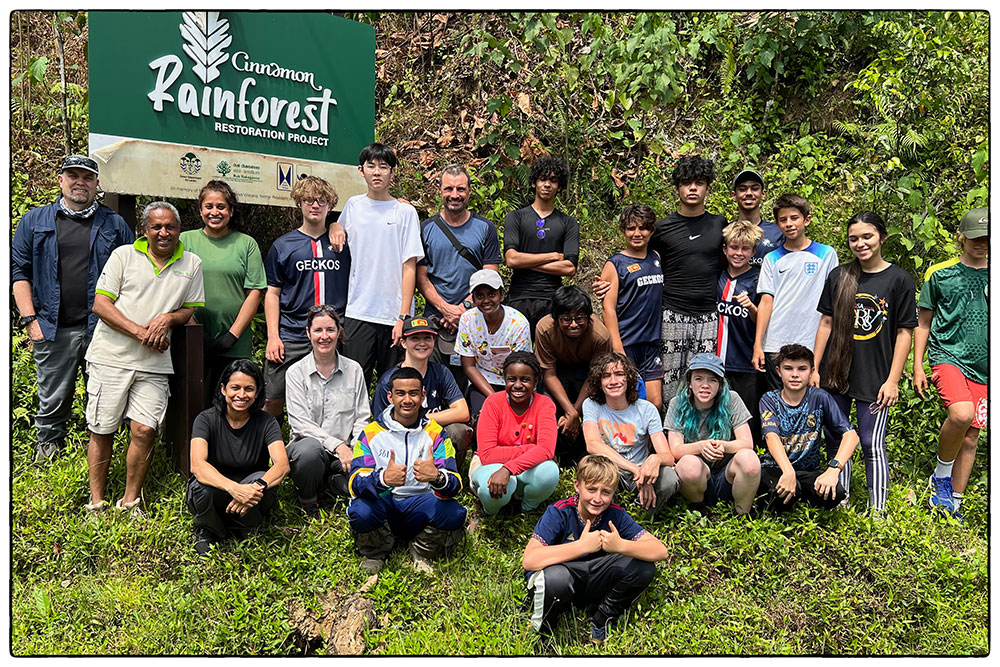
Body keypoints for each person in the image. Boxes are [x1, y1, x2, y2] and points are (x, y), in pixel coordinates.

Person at [83, 201, 205, 517]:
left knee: (145, 430)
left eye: (170, 227)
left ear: (179, 230)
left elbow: (189, 308)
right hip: (111, 358)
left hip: (155, 364)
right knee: (103, 429)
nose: (164, 233)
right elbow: (101, 305)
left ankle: (130, 502)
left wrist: (168, 318)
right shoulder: (123, 256)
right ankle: (96, 502)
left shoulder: (191, 263)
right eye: (156, 227)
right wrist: (140, 332)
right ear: (144, 230)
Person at [11, 154, 134, 462]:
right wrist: (30, 321)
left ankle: (105, 459)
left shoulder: (114, 224)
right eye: (73, 176)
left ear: (97, 184)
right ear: (61, 180)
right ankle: (48, 458)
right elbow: (19, 272)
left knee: (105, 398)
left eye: (87, 177)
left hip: (103, 330)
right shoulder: (34, 221)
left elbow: (132, 276)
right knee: (52, 401)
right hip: (53, 328)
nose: (80, 182)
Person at [594, 155, 727, 400]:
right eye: (686, 183)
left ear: (708, 187)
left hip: (708, 316)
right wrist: (608, 283)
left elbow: (732, 261)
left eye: (699, 183)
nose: (693, 188)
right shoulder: (662, 229)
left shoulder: (720, 225)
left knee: (705, 384)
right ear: (677, 188)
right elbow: (637, 256)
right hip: (670, 317)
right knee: (668, 390)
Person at [811, 212, 916, 515]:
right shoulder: (839, 276)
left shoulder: (899, 280)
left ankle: (878, 511)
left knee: (871, 442)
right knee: (835, 437)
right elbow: (826, 323)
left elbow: (904, 333)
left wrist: (893, 380)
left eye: (867, 236)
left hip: (876, 375)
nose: (860, 244)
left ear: (882, 237)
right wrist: (815, 367)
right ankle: (839, 500)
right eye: (853, 239)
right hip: (836, 371)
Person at [522, 454, 669, 644]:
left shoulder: (615, 514)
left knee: (644, 567)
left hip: (593, 577)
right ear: (577, 486)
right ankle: (543, 631)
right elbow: (530, 560)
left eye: (606, 492)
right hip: (558, 579)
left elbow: (660, 551)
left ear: (613, 492)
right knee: (557, 579)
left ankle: (602, 617)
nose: (598, 498)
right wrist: (581, 546)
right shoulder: (559, 512)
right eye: (591, 489)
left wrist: (621, 546)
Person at [348, 367, 466, 574]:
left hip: (420, 504)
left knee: (454, 513)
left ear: (423, 396)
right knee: (360, 510)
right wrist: (382, 479)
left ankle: (422, 550)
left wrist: (437, 477)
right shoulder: (371, 433)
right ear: (390, 397)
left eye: (413, 393)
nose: (407, 400)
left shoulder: (436, 433)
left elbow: (455, 483)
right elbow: (355, 482)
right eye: (400, 393)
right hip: (385, 502)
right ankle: (375, 552)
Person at [913, 208, 988, 521]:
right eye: (975, 238)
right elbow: (923, 322)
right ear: (961, 237)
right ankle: (941, 476)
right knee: (961, 414)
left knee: (971, 436)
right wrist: (917, 366)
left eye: (988, 238)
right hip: (948, 355)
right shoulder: (940, 273)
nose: (982, 243)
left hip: (985, 366)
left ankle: (952, 505)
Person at [336, 142, 424, 388]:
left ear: (392, 172)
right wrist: (334, 225)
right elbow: (336, 230)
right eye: (371, 166)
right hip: (358, 311)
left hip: (393, 315)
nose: (377, 172)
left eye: (383, 167)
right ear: (361, 170)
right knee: (353, 385)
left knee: (395, 386)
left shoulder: (405, 212)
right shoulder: (353, 206)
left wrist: (403, 317)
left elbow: (409, 266)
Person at [263, 176, 350, 417]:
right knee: (273, 398)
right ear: (299, 203)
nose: (315, 205)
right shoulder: (283, 245)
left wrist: (335, 225)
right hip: (292, 332)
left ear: (330, 206)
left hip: (334, 333)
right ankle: (271, 442)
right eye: (309, 200)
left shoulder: (343, 244)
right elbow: (272, 293)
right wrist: (273, 336)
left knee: (334, 398)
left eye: (322, 200)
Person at [186, 360, 289, 555]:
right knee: (201, 486)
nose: (241, 395)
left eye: (249, 389)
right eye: (235, 388)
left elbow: (282, 465)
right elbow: (197, 465)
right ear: (223, 389)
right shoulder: (205, 419)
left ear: (257, 393)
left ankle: (247, 527)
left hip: (251, 491)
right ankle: (208, 530)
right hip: (216, 490)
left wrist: (254, 488)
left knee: (263, 478)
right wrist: (234, 489)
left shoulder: (267, 422)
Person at [416, 164, 501, 385]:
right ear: (439, 190)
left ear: (469, 191)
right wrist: (445, 308)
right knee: (432, 382)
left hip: (476, 319)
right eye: (449, 189)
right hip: (435, 320)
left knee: (471, 382)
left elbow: (490, 275)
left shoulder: (485, 228)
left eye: (460, 189)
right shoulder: (426, 228)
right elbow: (421, 277)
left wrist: (464, 308)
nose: (455, 195)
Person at [179, 180, 266, 398]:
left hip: (234, 344)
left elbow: (255, 293)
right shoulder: (185, 241)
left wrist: (231, 336)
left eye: (221, 207)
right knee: (192, 401)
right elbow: (174, 288)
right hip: (192, 337)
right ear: (200, 210)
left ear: (231, 211)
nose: (215, 212)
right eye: (209, 206)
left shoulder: (246, 244)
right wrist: (195, 330)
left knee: (230, 403)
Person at [284, 305, 371, 516]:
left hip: (346, 452)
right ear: (308, 333)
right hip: (309, 451)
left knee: (367, 483)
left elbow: (362, 417)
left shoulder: (354, 369)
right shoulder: (295, 372)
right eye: (318, 330)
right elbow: (300, 424)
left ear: (339, 332)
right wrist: (337, 445)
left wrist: (356, 452)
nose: (324, 336)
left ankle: (331, 485)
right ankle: (308, 499)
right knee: (310, 452)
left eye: (330, 330)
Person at [757, 345, 860, 513]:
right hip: (776, 468)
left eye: (802, 369)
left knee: (836, 492)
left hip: (808, 471)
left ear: (811, 372)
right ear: (778, 371)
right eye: (788, 368)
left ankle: (803, 496)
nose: (795, 374)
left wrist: (833, 470)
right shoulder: (769, 399)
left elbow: (851, 436)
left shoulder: (820, 397)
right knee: (779, 495)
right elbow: (771, 437)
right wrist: (788, 471)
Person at [752, 194, 839, 390]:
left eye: (794, 218)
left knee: (810, 403)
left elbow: (831, 306)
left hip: (811, 343)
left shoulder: (827, 254)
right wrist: (758, 345)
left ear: (807, 220)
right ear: (777, 225)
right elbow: (766, 301)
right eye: (783, 220)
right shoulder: (771, 258)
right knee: (778, 401)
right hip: (775, 343)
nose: (789, 224)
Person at [582, 353, 679, 517]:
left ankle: (639, 516)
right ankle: (611, 515)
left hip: (641, 473)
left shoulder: (647, 409)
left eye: (619, 374)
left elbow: (668, 457)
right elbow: (593, 445)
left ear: (628, 378)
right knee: (594, 471)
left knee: (669, 477)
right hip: (611, 471)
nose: (613, 381)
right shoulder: (592, 405)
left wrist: (654, 460)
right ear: (599, 382)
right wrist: (634, 469)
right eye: (606, 376)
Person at [372, 317, 473, 468]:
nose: (422, 343)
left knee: (459, 432)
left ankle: (447, 473)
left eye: (427, 338)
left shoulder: (441, 372)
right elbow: (380, 425)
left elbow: (463, 412)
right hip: (399, 439)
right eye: (415, 338)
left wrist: (419, 419)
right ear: (403, 343)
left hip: (430, 433)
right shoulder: (389, 380)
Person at [666, 353, 760, 515]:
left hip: (728, 475)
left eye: (712, 380)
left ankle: (742, 514)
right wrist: (701, 447)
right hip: (697, 476)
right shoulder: (677, 403)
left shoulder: (732, 399)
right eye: (698, 379)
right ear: (689, 382)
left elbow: (747, 443)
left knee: (749, 459)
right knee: (687, 464)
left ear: (721, 385)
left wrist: (723, 445)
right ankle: (699, 509)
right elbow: (675, 449)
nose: (705, 385)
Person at [472, 351, 560, 515]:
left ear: (535, 381)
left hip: (525, 468)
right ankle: (491, 512)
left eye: (525, 379)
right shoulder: (493, 402)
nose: (518, 385)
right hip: (490, 466)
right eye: (512, 379)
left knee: (550, 471)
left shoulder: (544, 404)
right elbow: (487, 455)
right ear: (504, 380)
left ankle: (526, 508)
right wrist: (533, 448)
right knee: (492, 488)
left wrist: (509, 469)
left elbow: (546, 450)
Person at [597, 204, 665, 412]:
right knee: (627, 401)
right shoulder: (615, 264)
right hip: (627, 342)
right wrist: (618, 349)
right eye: (631, 228)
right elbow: (608, 308)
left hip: (651, 343)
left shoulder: (656, 258)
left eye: (643, 228)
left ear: (651, 231)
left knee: (655, 403)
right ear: (623, 230)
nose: (637, 233)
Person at [534, 285, 612, 465]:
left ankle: (586, 453)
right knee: (547, 403)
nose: (574, 324)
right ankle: (552, 453)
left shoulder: (600, 336)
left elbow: (594, 377)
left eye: (579, 318)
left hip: (587, 374)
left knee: (596, 403)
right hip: (557, 371)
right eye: (566, 319)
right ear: (556, 319)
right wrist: (571, 412)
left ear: (588, 316)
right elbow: (549, 374)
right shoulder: (545, 329)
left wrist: (575, 412)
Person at [503, 156, 579, 336]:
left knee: (551, 352)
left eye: (553, 180)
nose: (547, 184)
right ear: (533, 183)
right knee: (517, 352)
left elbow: (569, 268)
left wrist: (525, 262)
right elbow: (511, 260)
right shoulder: (516, 217)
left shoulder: (568, 222)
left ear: (559, 186)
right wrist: (553, 256)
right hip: (519, 297)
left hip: (554, 300)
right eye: (542, 179)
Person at [455, 269, 533, 416]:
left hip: (514, 381)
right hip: (482, 379)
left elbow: (523, 367)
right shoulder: (467, 320)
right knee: (484, 415)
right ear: (473, 299)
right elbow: (469, 366)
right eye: (480, 296)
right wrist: (494, 398)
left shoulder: (518, 323)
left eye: (491, 294)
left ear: (501, 295)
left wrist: (508, 397)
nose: (486, 300)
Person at [716, 220, 766, 444]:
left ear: (753, 252)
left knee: (746, 417)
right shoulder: (717, 275)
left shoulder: (758, 279)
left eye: (745, 249)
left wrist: (752, 308)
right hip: (717, 361)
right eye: (734, 247)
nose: (738, 253)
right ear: (725, 249)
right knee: (718, 415)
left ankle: (749, 458)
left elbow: (764, 319)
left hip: (745, 360)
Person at [730, 169, 784, 265]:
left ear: (763, 194)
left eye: (754, 188)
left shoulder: (778, 233)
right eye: (742, 189)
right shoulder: (726, 231)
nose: (749, 193)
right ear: (734, 195)